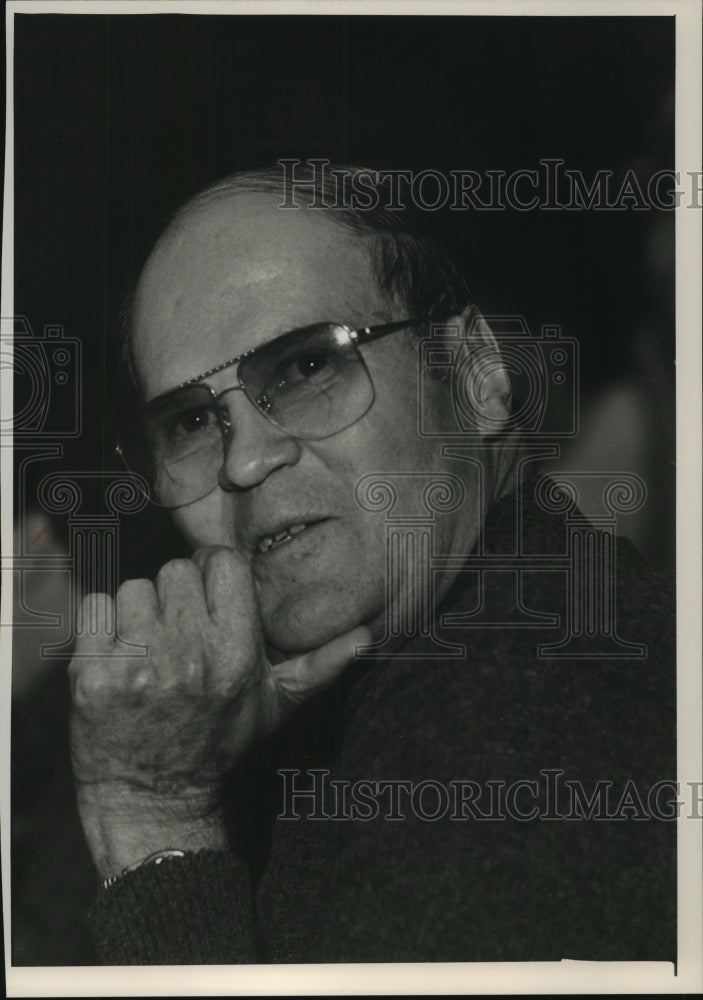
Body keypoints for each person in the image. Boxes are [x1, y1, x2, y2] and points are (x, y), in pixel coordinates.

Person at [69, 164, 676, 964]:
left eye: (306, 367)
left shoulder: (526, 704)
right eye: (189, 422)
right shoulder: (458, 655)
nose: (244, 461)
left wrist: (151, 811)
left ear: (477, 376)